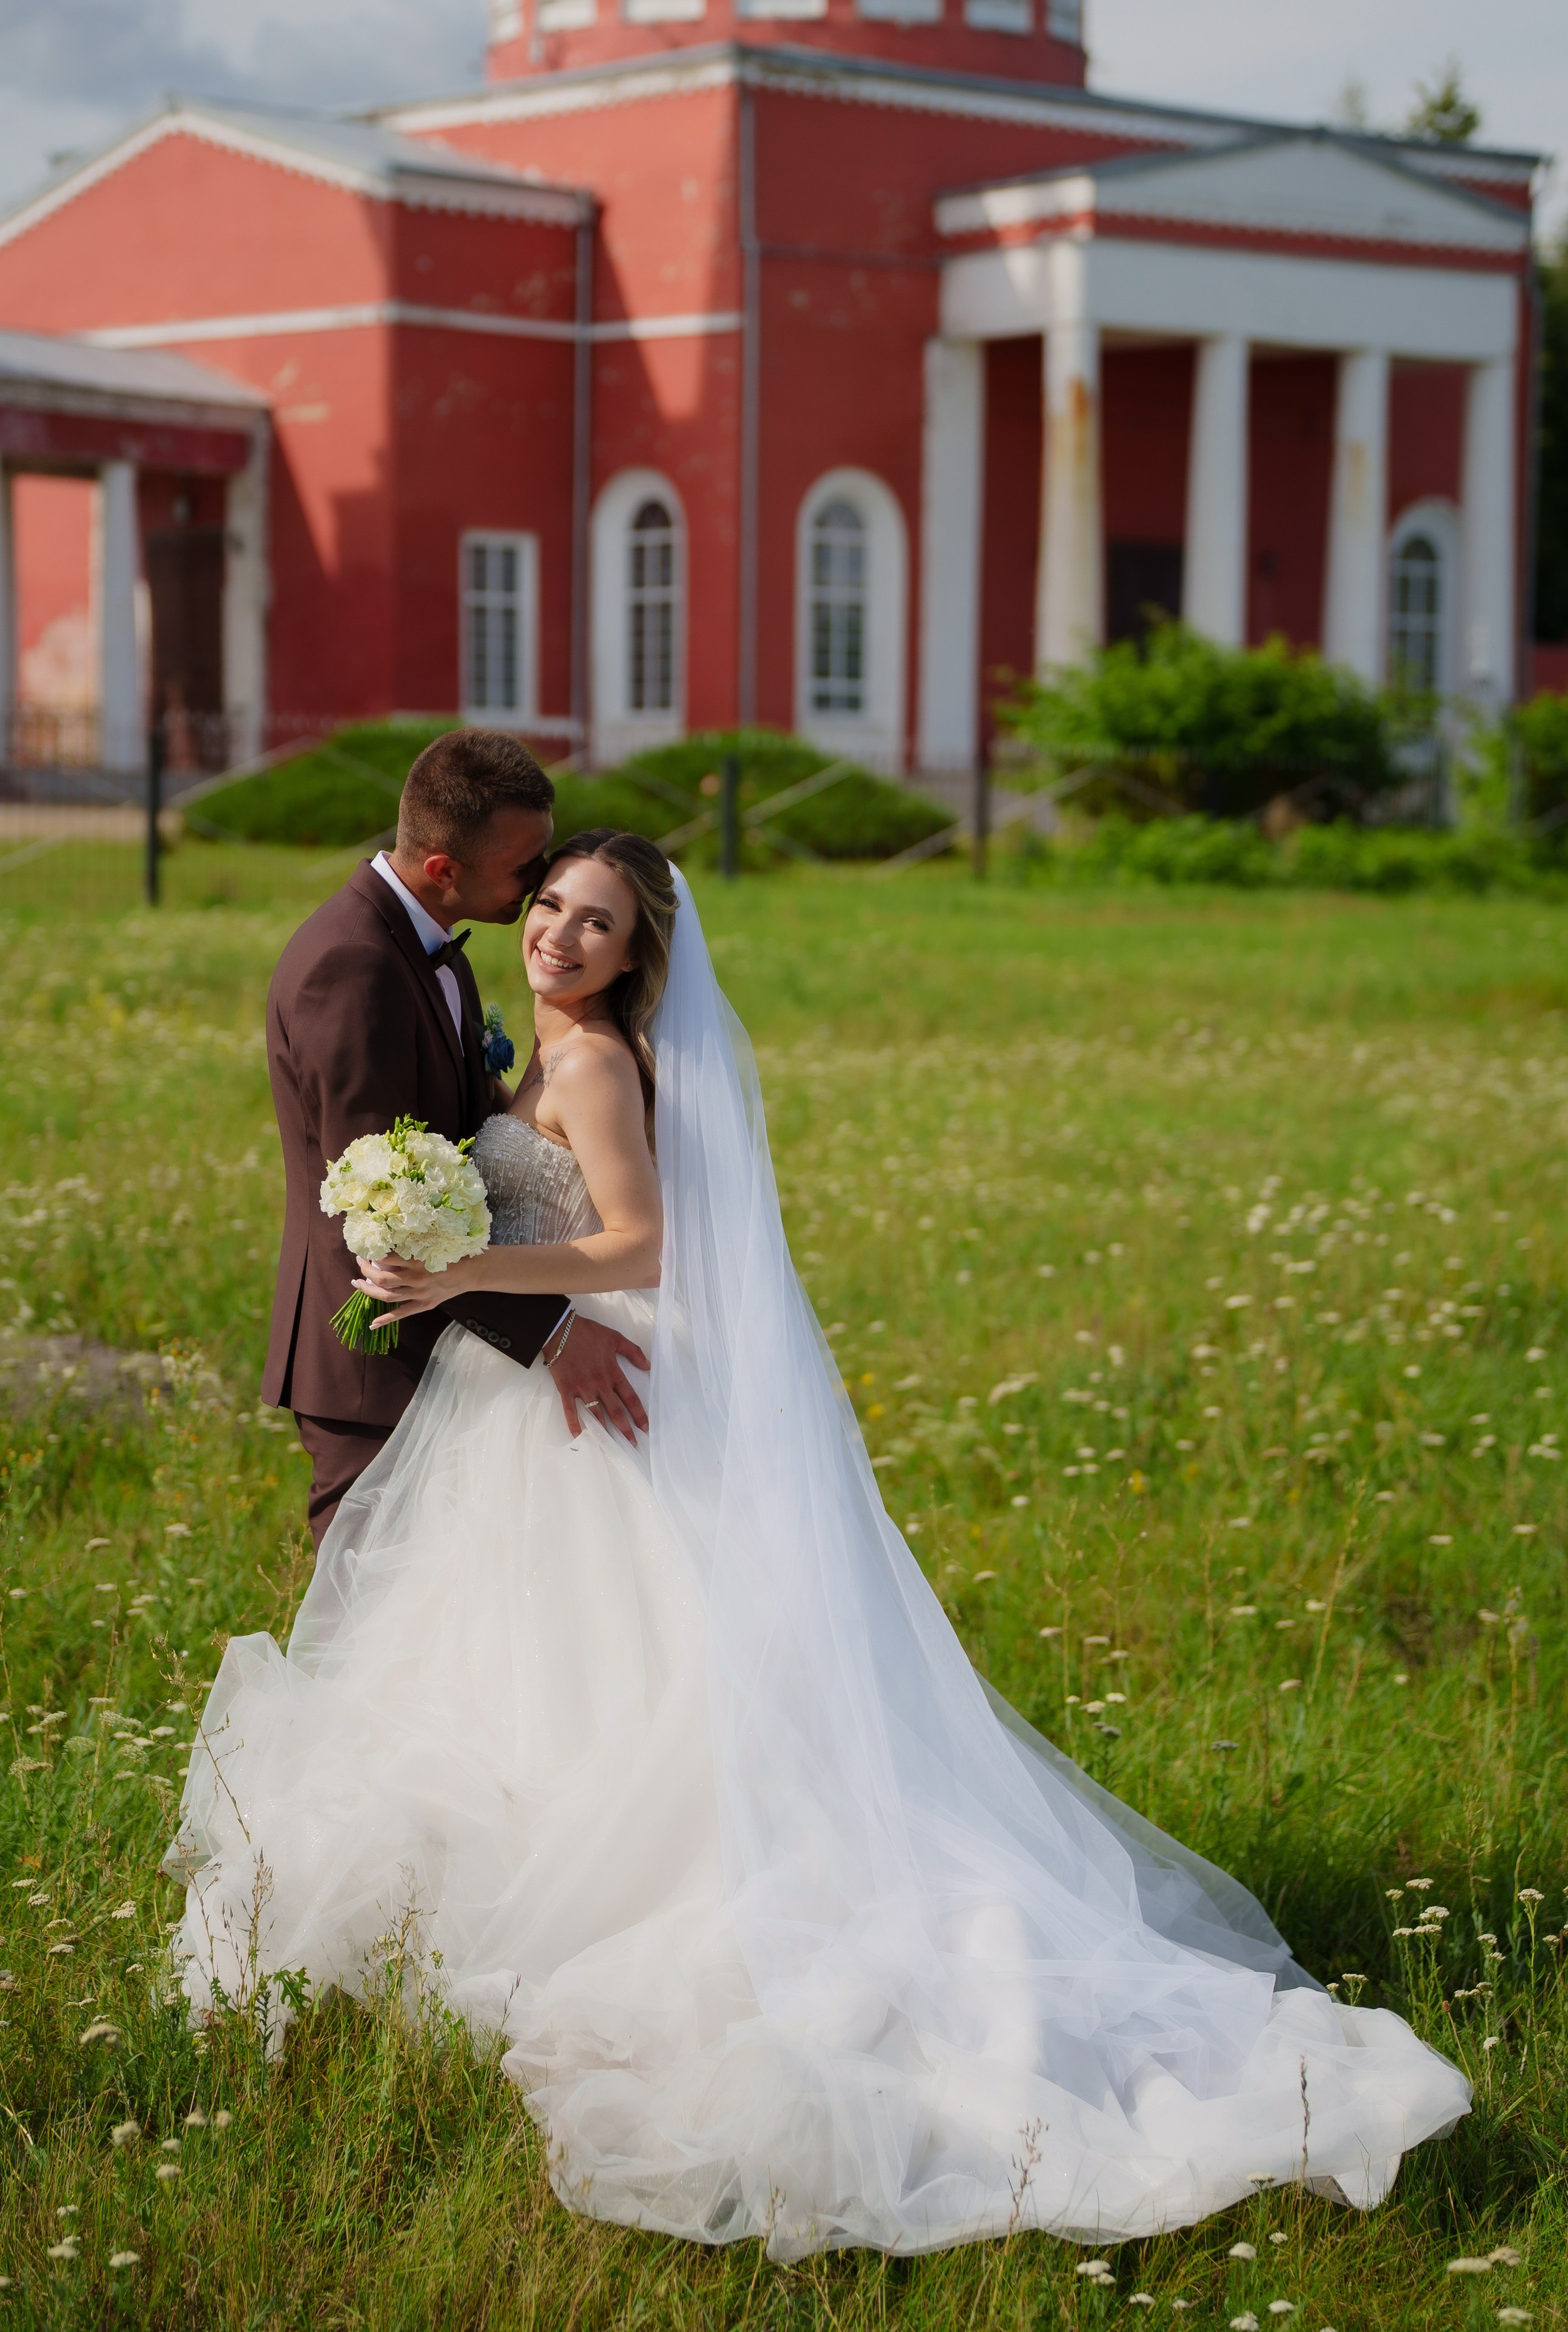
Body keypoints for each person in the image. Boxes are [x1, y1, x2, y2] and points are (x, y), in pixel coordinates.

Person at [172, 831, 1469, 2259]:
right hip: (522, 1401)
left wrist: (468, 1266)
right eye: (548, 905)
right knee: (526, 1663)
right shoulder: (539, 1050)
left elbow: (640, 1246)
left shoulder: (595, 1064)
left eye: (595, 926)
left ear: (633, 957)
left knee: (610, 1680)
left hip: (576, 1395)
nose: (558, 936)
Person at [260, 729, 649, 1549]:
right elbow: (384, 1207)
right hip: (380, 1359)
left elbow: (467, 1133)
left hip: (460, 1349)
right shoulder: (354, 967)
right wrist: (555, 1331)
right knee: (368, 1622)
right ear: (445, 870)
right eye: (528, 874)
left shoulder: (435, 948)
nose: (538, 889)